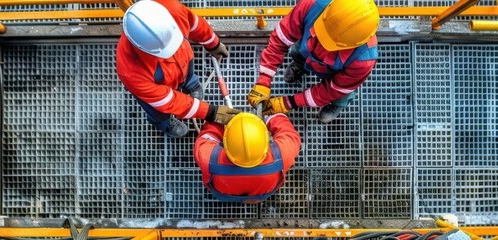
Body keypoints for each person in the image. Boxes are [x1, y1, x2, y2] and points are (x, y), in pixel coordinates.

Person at [116, 0, 240, 137]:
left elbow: (195, 25)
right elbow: (168, 100)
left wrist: (213, 44)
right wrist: (210, 112)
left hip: (184, 60)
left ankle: (192, 85)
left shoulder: (172, 8)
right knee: (157, 109)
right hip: (158, 86)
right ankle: (163, 122)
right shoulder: (131, 71)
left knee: (188, 74)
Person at [247, 0, 380, 123]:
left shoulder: (363, 60)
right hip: (306, 53)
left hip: (335, 73)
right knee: (296, 53)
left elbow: (332, 89)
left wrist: (290, 102)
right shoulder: (311, 5)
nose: (323, 44)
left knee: (340, 94)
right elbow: (279, 41)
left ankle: (337, 105)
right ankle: (300, 67)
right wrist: (263, 81)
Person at [193, 113, 301, 203]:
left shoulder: (209, 157)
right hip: (263, 192)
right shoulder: (281, 154)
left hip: (223, 192)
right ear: (264, 140)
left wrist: (218, 120)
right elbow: (289, 134)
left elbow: (207, 135)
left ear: (226, 143)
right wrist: (271, 115)